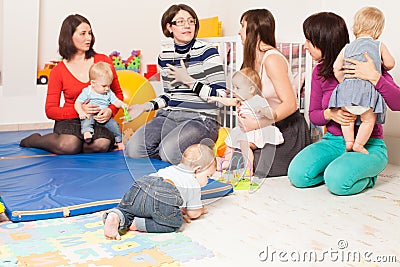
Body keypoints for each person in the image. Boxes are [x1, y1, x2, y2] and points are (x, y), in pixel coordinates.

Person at [288, 12, 400, 195]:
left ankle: (364, 174)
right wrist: (330, 114)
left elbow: (398, 103)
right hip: (333, 141)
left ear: (324, 41)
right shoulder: (319, 73)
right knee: (298, 175)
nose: (305, 45)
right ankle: (338, 167)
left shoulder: (368, 64)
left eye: (309, 40)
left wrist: (374, 77)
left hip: (370, 144)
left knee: (338, 183)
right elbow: (314, 114)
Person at [124, 4, 226, 165]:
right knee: (133, 150)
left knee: (169, 153)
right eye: (180, 21)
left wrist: (188, 80)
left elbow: (220, 95)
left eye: (191, 21)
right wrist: (145, 107)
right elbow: (169, 96)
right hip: (170, 115)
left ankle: (189, 154)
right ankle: (172, 150)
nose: (187, 25)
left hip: (201, 119)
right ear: (169, 27)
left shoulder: (208, 52)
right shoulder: (165, 56)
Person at [20, 14, 123, 154]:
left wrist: (110, 110)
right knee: (68, 145)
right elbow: (50, 110)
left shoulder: (103, 61)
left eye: (90, 33)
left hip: (98, 120)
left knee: (101, 145)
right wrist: (80, 110)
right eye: (83, 34)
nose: (89, 38)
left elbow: (118, 94)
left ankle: (80, 143)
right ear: (69, 37)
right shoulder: (58, 71)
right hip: (70, 119)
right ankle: (34, 140)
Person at [236, 9, 310, 177]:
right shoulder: (251, 59)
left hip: (287, 128)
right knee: (237, 153)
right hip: (267, 128)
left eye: (242, 26)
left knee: (261, 167)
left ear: (254, 28)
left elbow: (290, 105)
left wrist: (258, 123)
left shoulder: (272, 59)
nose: (239, 31)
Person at [103, 144, 216, 239]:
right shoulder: (194, 184)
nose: (207, 181)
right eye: (208, 176)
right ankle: (138, 224)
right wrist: (200, 210)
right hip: (164, 192)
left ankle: (116, 216)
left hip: (141, 184)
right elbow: (193, 213)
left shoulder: (172, 169)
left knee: (128, 210)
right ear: (197, 170)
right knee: (175, 223)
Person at [329, 7, 395, 154]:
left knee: (348, 119)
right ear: (378, 30)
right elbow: (390, 64)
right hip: (367, 93)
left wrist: (343, 82)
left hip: (347, 92)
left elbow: (336, 67)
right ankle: (359, 144)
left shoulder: (347, 47)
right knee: (368, 121)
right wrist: (381, 64)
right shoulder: (379, 46)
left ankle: (349, 142)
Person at [208, 68, 283, 174]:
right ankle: (226, 161)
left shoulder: (257, 100)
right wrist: (217, 99)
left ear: (251, 89)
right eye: (234, 87)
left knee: (245, 144)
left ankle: (249, 168)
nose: (234, 91)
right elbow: (229, 101)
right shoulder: (240, 100)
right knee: (230, 142)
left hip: (256, 131)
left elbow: (273, 114)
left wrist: (263, 110)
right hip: (243, 130)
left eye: (237, 88)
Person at [74, 62, 127, 150]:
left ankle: (119, 142)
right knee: (86, 121)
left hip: (103, 116)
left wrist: (122, 105)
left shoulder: (108, 93)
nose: (107, 88)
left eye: (109, 85)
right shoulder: (88, 91)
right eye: (104, 86)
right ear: (93, 83)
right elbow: (77, 102)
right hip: (91, 114)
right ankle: (87, 133)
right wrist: (81, 112)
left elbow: (116, 101)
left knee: (114, 125)